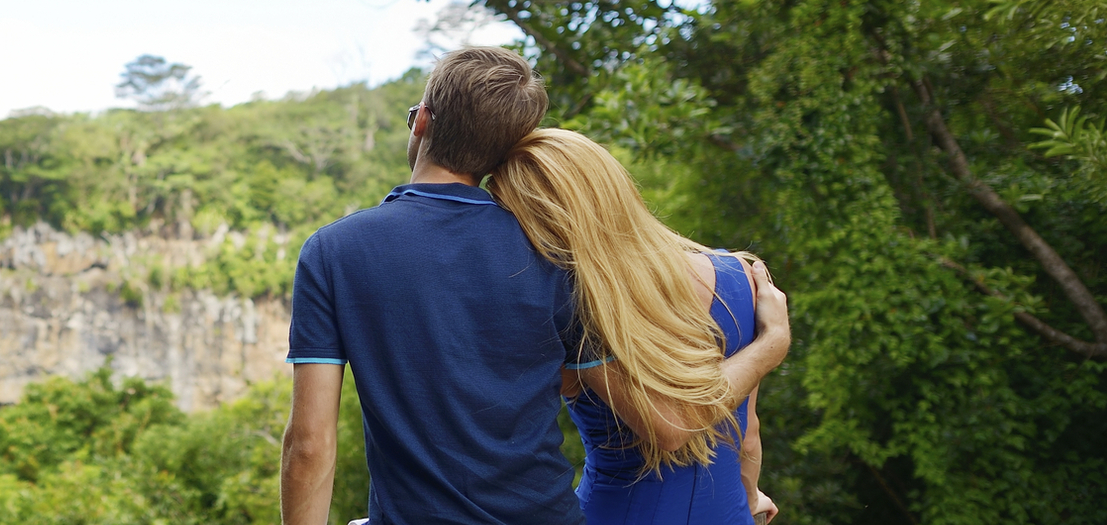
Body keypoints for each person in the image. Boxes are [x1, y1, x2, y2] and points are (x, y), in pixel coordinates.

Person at [278, 47, 791, 525]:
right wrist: (769, 344)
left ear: (424, 120)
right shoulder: (555, 254)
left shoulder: (332, 251)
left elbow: (309, 447)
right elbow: (669, 421)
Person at [491, 128, 784, 524]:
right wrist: (749, 498)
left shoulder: (577, 309)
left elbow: (671, 427)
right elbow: (746, 434)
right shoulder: (738, 275)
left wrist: (772, 346)